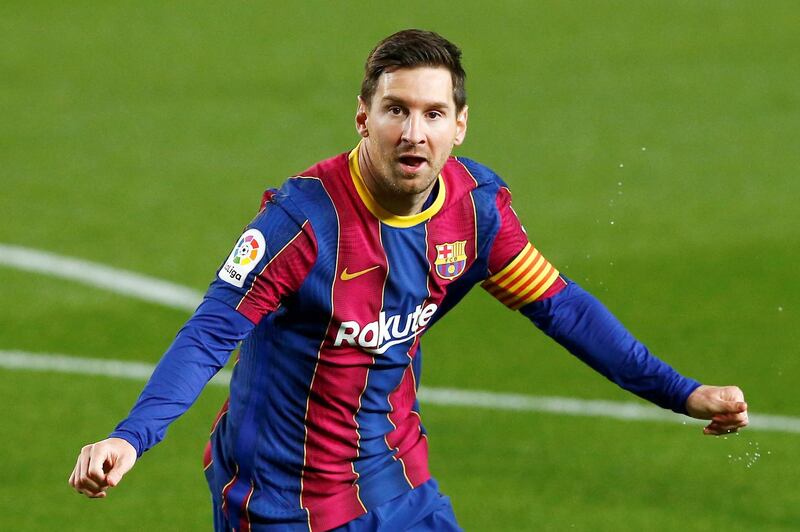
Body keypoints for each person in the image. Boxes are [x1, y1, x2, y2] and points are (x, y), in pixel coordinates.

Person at [69, 29, 749, 531]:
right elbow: (213, 330)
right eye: (395, 110)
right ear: (363, 118)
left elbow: (560, 307)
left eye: (431, 114)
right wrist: (131, 437)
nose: (412, 132)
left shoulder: (475, 212)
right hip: (281, 498)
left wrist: (682, 392)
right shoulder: (301, 224)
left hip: (395, 478)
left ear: (459, 126)